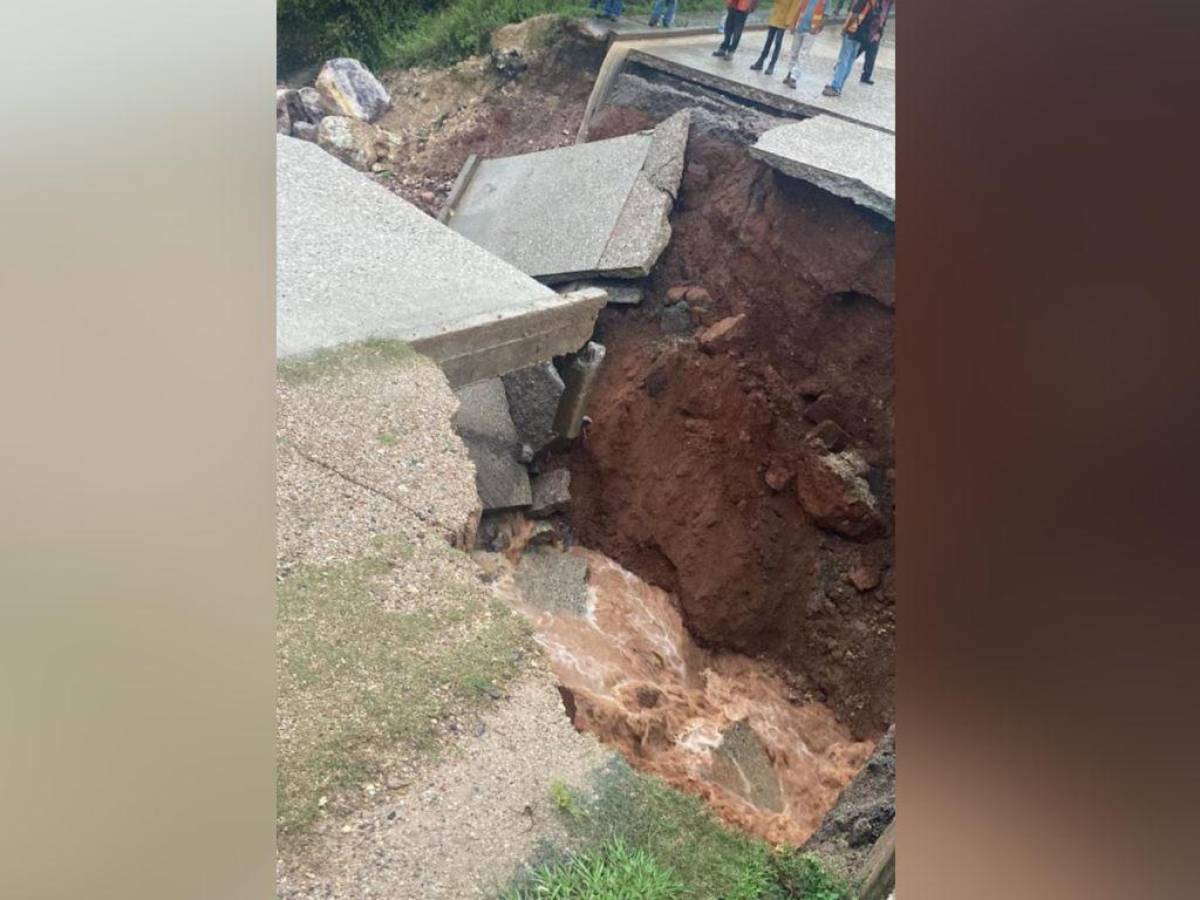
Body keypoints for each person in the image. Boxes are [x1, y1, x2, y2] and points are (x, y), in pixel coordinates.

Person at [752, 0, 824, 76]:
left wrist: (789, 22)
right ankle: (760, 61)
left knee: (778, 42)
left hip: (783, 20)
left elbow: (794, 7)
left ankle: (772, 65)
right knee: (768, 40)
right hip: (775, 16)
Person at [822, 0, 875, 96]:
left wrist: (845, 27)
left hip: (852, 31)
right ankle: (839, 84)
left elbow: (854, 15)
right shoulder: (875, 2)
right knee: (849, 60)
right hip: (862, 34)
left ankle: (836, 86)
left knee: (844, 59)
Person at [777, 0, 827, 88]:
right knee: (794, 52)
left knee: (803, 54)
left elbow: (826, 15)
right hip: (799, 27)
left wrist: (817, 28)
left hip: (811, 30)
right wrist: (793, 24)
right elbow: (799, 9)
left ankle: (794, 77)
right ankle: (789, 73)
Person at [854, 0, 892, 85]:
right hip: (868, 27)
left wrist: (880, 30)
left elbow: (884, 16)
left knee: (872, 54)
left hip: (877, 31)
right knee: (857, 50)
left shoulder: (888, 3)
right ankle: (840, 66)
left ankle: (866, 76)